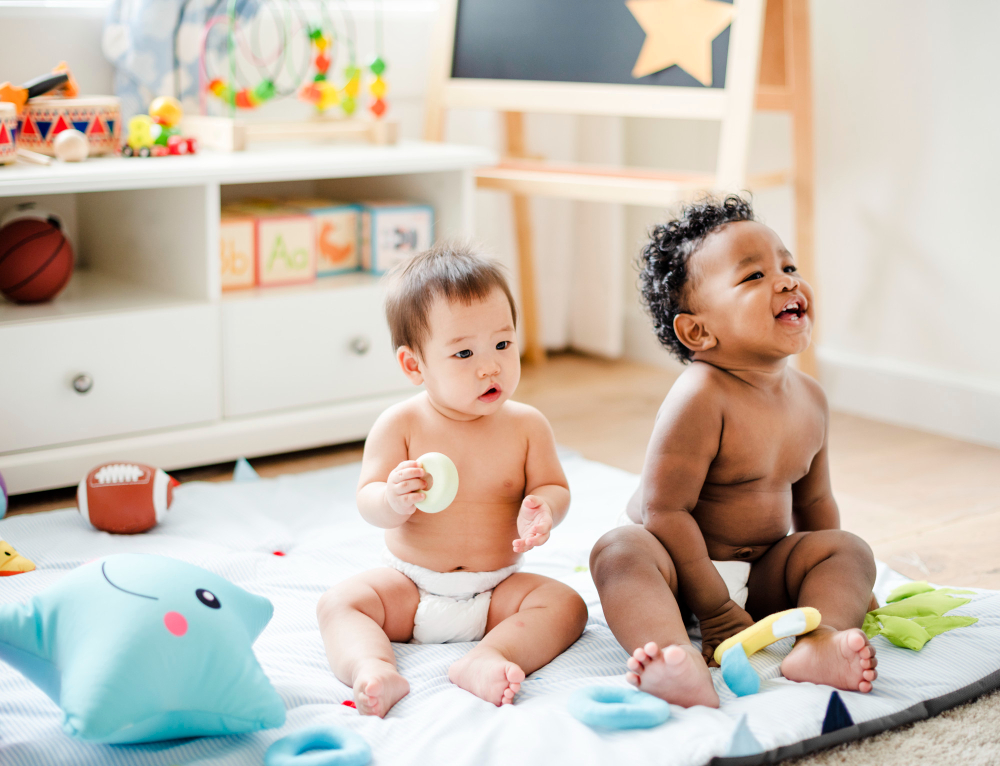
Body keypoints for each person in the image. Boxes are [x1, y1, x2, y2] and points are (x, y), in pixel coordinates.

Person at [590, 196, 878, 708]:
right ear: (699, 330)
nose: (787, 280)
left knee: (849, 549)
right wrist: (715, 608)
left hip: (762, 569)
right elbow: (664, 510)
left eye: (787, 266)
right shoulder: (699, 397)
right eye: (754, 276)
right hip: (676, 570)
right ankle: (673, 656)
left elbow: (814, 509)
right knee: (618, 552)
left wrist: (834, 587)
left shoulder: (810, 398)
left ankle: (818, 642)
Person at [317, 243, 588, 717]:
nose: (490, 366)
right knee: (340, 604)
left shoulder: (527, 426)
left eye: (503, 344)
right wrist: (393, 500)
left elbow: (554, 487)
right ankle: (372, 667)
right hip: (410, 586)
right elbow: (368, 499)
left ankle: (490, 656)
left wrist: (544, 509)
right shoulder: (399, 425)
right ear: (413, 365)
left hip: (496, 589)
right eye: (464, 352)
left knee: (567, 605)